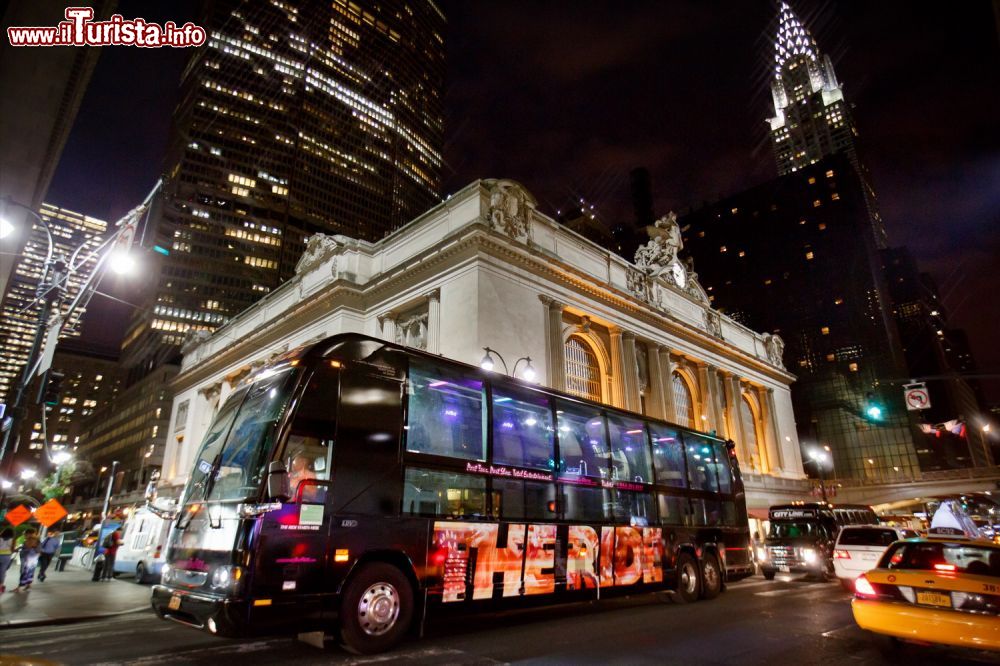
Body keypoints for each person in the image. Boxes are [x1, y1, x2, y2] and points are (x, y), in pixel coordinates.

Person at [0, 527, 14, 594]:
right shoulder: (13, 540)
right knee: (3, 571)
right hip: (6, 557)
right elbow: (13, 549)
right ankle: (1, 586)